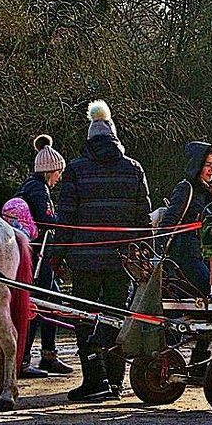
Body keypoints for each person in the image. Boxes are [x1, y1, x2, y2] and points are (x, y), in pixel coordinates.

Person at [58, 100, 153, 402]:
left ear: (89, 139)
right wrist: (145, 254)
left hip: (84, 259)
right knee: (116, 316)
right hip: (122, 260)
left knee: (84, 317)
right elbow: (143, 218)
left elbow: (67, 218)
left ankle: (93, 379)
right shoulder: (133, 168)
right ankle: (114, 382)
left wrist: (57, 255)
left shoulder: (75, 169)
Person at [159, 142, 212, 367]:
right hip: (184, 257)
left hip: (203, 255)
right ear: (196, 164)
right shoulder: (186, 188)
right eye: (207, 164)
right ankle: (172, 358)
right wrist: (162, 255)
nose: (211, 169)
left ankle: (196, 358)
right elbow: (169, 222)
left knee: (207, 307)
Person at [12, 134, 74, 379]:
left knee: (52, 302)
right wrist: (66, 222)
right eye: (59, 173)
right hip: (38, 256)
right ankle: (25, 360)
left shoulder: (29, 185)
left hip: (35, 253)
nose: (59, 178)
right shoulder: (39, 190)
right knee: (38, 305)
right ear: (51, 170)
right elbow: (45, 220)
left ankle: (48, 355)